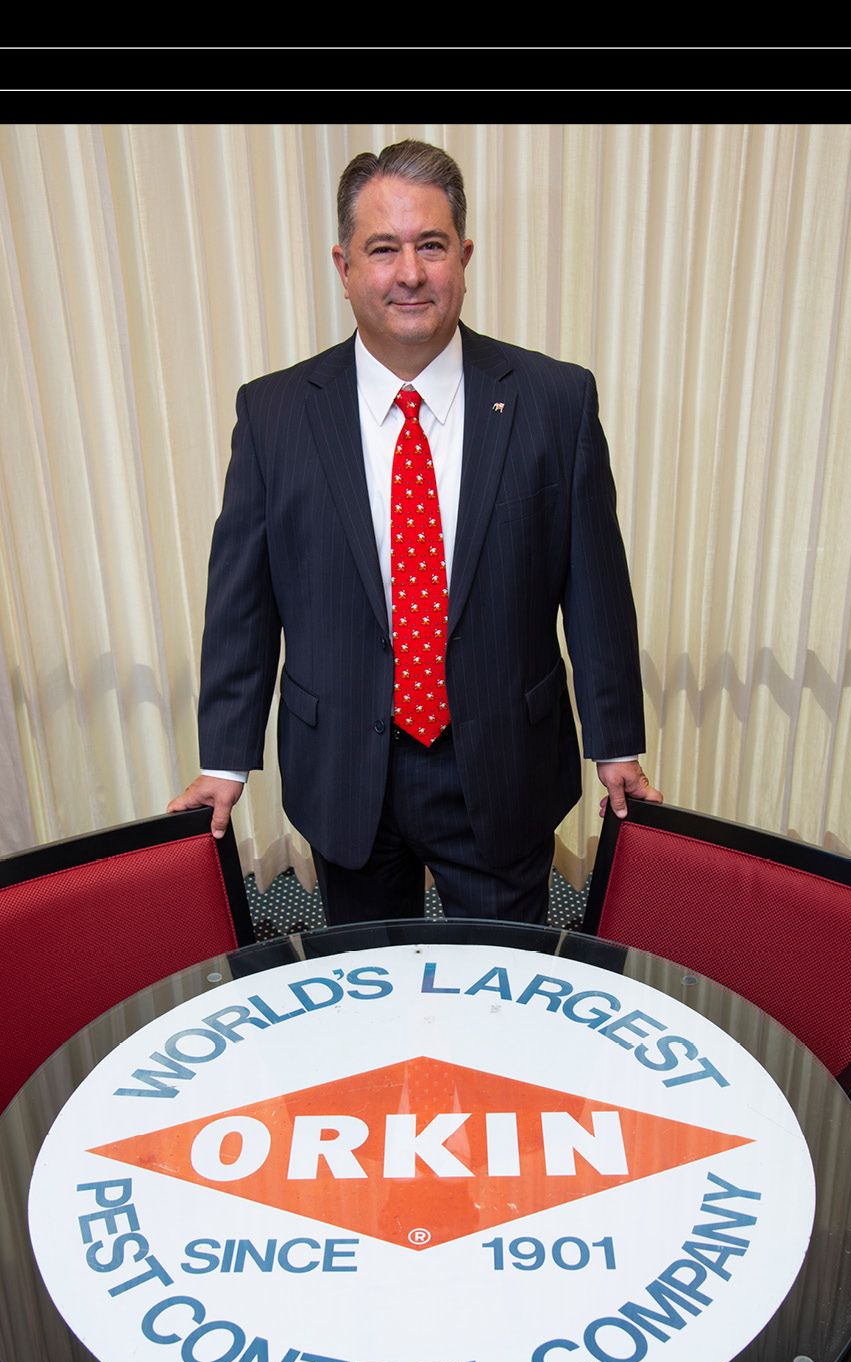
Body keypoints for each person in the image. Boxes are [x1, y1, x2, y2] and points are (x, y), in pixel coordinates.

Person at [169, 139, 661, 926]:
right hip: (343, 769)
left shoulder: (553, 399)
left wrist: (616, 745)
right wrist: (224, 760)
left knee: (507, 995)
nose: (409, 273)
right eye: (383, 249)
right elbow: (242, 604)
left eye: (431, 246)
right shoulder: (274, 414)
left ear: (463, 255)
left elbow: (597, 588)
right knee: (365, 996)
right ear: (344, 266)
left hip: (503, 762)